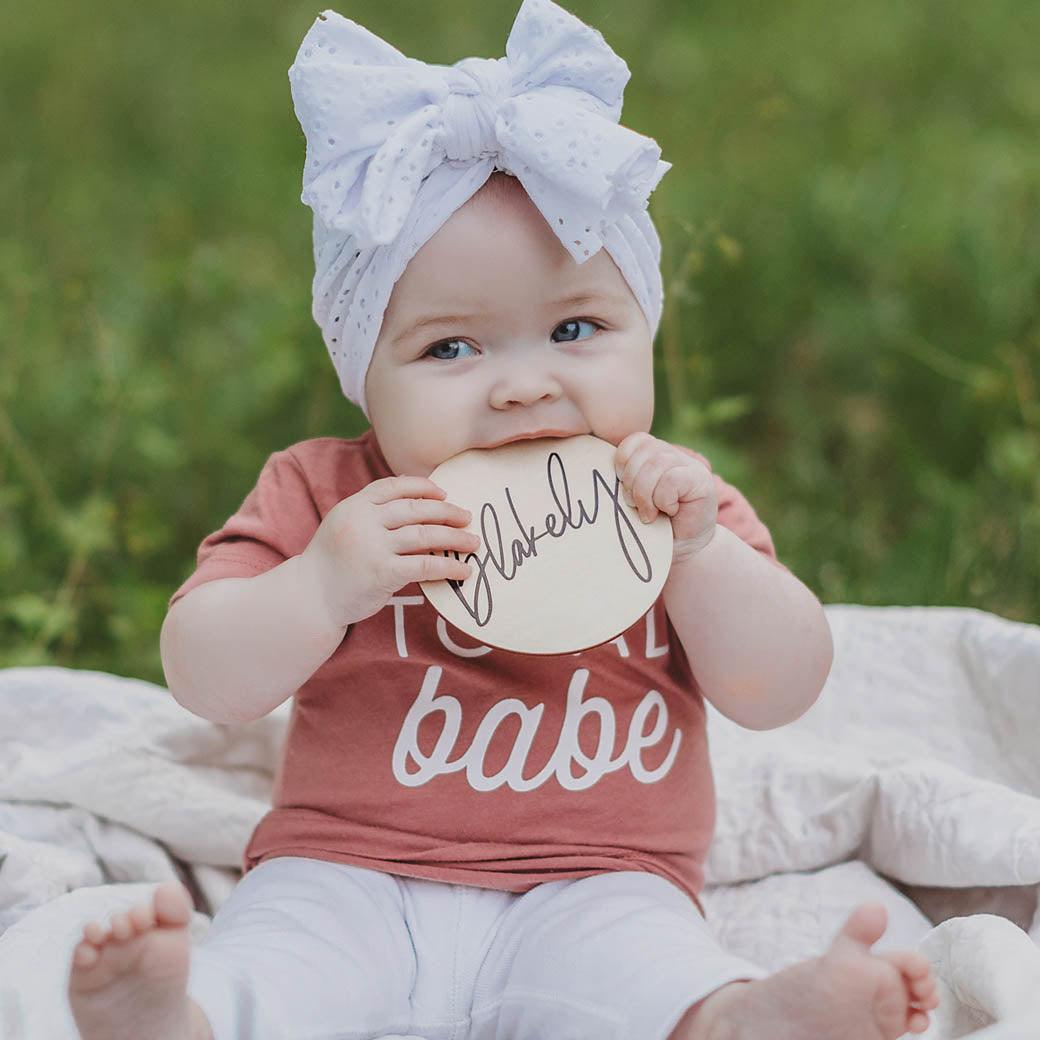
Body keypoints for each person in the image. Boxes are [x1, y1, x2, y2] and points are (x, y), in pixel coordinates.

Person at [67, 2, 940, 1038]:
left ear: (644, 335)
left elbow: (779, 685)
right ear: (362, 374)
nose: (523, 387)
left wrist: (698, 560)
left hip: (598, 877)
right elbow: (203, 676)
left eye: (575, 328)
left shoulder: (667, 503)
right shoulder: (324, 494)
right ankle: (189, 1017)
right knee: (287, 951)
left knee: (638, 970)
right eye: (450, 349)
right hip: (349, 862)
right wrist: (319, 582)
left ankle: (741, 1019)